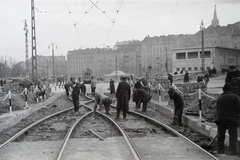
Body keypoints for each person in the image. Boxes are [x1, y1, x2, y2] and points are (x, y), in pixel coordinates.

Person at [215, 83, 240, 155]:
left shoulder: (220, 98)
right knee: (233, 136)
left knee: (220, 135)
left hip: (220, 119)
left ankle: (220, 151)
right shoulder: (235, 97)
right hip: (232, 119)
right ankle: (232, 152)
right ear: (230, 89)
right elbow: (239, 109)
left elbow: (217, 109)